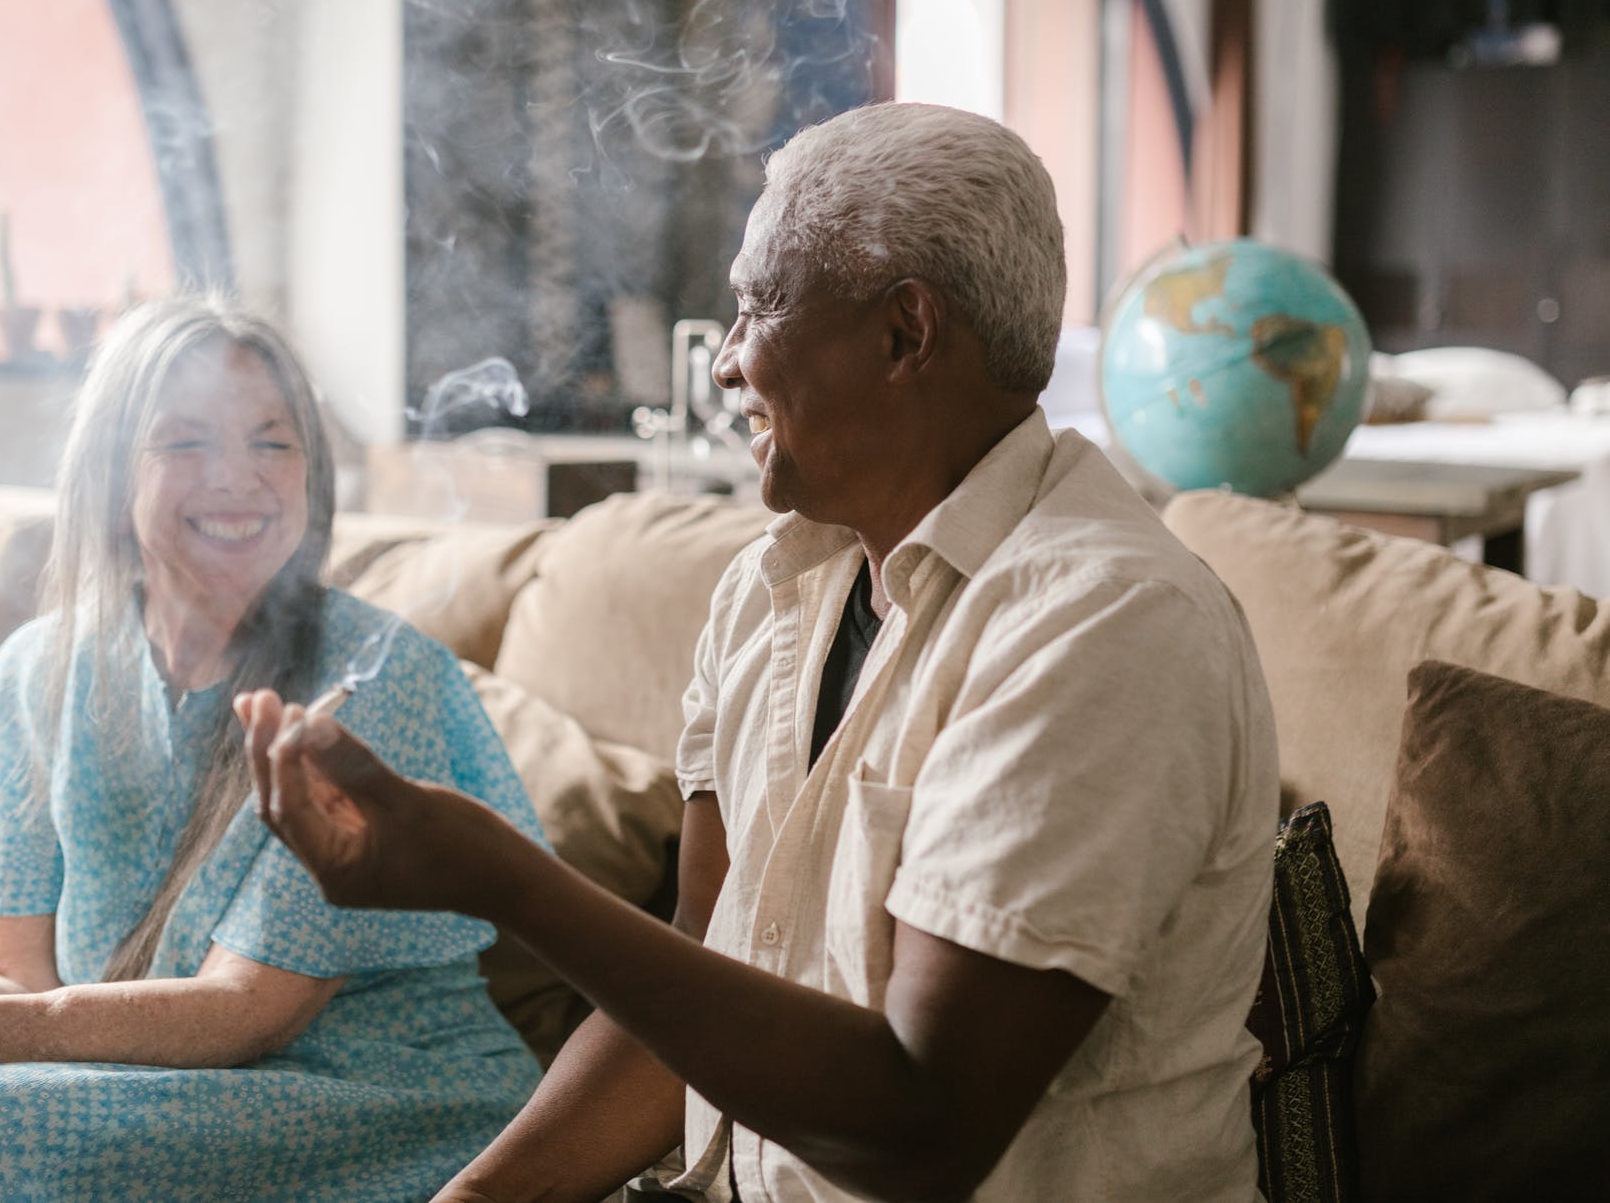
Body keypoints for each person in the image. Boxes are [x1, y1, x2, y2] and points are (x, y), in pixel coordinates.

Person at [243, 102, 1280, 1202]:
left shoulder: (1101, 621)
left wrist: (500, 878)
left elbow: (917, 1133)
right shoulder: (769, 589)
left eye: (755, 305)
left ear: (903, 334)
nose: (728, 361)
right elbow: (695, 986)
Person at [0, 296, 546, 1200]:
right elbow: (7, 976)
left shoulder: (375, 678)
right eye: (185, 442)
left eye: (273, 443)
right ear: (112, 477)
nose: (237, 478)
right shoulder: (38, 669)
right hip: (140, 1074)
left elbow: (248, 1014)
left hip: (375, 1091)